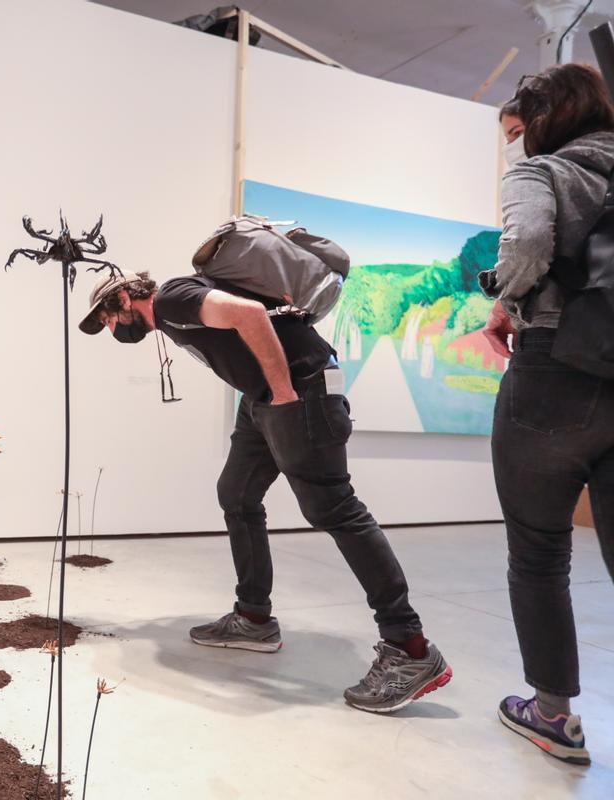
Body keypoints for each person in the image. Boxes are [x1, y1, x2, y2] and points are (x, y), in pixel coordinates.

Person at [78, 269, 451, 713]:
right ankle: (253, 619)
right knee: (236, 494)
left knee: (335, 510)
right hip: (261, 401)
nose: (109, 328)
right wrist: (265, 395)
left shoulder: (173, 299)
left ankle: (410, 648)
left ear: (123, 297)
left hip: (300, 392)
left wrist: (282, 392)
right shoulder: (174, 311)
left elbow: (250, 314)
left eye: (106, 317)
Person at [480, 63, 614, 766]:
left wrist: (502, 293)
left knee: (539, 551)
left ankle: (554, 717)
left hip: (554, 373)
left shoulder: (544, 173)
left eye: (515, 131)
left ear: (544, 120)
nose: (514, 146)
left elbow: (528, 245)